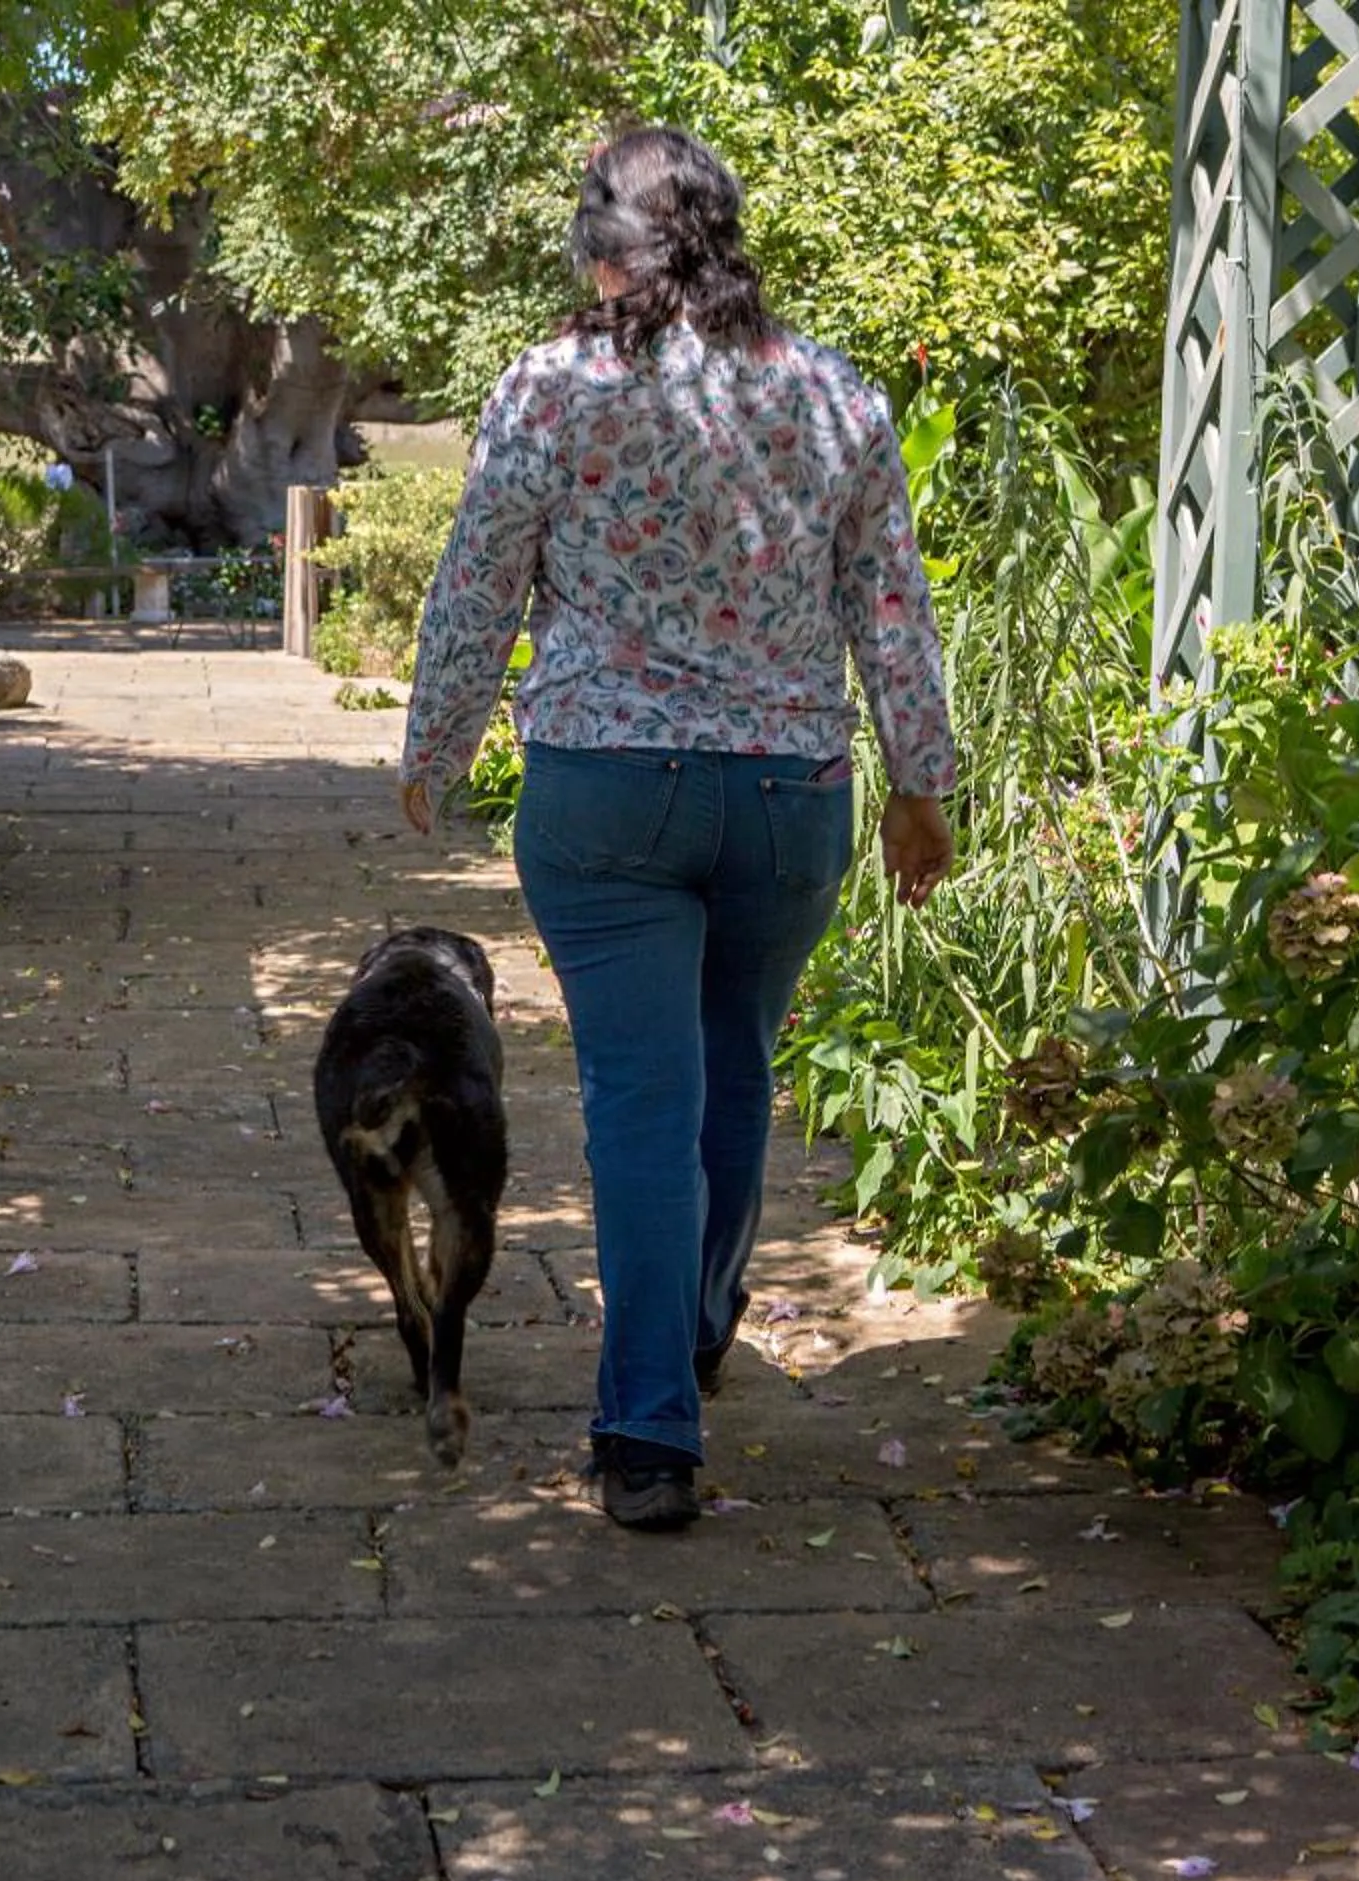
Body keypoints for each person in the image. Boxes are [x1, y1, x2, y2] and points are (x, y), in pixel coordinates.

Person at [396, 127, 958, 1532]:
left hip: (605, 789)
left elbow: (480, 577)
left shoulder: (552, 388)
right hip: (788, 795)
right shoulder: (834, 396)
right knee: (732, 1069)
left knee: (641, 1102)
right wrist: (920, 780)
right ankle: (702, 1324)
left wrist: (437, 744)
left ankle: (650, 1434)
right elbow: (887, 606)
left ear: (600, 252)